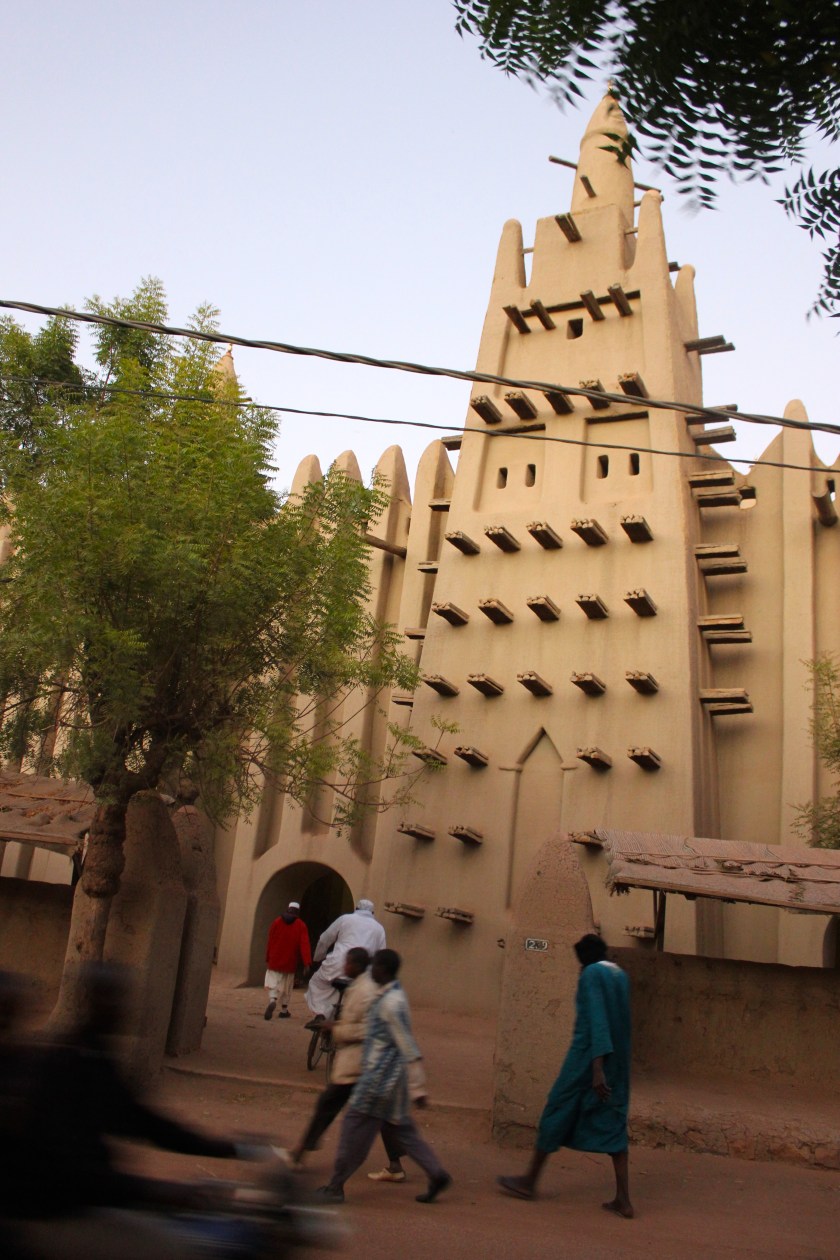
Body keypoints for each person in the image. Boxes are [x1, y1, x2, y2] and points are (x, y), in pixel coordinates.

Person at [497, 933, 633, 1218]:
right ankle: (623, 1198)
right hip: (618, 1064)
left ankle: (529, 1181)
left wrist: (596, 1069)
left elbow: (597, 1021)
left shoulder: (592, 974)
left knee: (556, 1111)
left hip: (586, 1061)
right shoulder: (620, 976)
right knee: (613, 1124)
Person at [316, 948, 451, 1205]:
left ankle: (335, 1186)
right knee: (402, 1130)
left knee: (353, 1130)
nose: (371, 971)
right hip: (391, 1083)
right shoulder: (390, 995)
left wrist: (418, 1088)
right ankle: (436, 1173)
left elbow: (408, 1046)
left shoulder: (391, 1003)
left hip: (377, 1081)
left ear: (383, 970)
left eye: (375, 967)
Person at [288, 947, 405, 1181]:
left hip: (359, 1063)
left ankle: (307, 1158)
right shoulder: (360, 987)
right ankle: (396, 1165)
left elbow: (372, 1028)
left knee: (330, 1106)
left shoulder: (366, 991)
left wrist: (337, 1029)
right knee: (378, 1113)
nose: (344, 967)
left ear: (358, 965)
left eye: (348, 963)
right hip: (359, 1063)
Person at [305, 898, 386, 1023]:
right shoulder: (379, 928)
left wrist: (318, 957)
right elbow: (381, 953)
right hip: (363, 971)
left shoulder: (345, 919)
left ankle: (321, 1013)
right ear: (372, 913)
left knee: (317, 983)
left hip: (337, 965)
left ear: (356, 909)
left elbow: (325, 939)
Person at [264, 900, 311, 1020]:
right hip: (290, 962)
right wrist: (307, 962)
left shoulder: (277, 921)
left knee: (273, 982)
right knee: (287, 986)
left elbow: (270, 939)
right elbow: (304, 944)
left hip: (275, 959)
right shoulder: (301, 925)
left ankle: (272, 1000)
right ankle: (284, 1010)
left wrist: (268, 956)